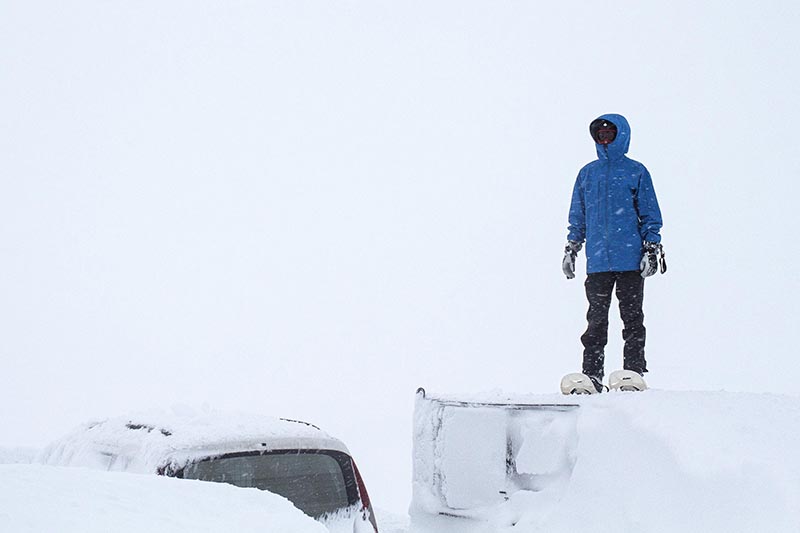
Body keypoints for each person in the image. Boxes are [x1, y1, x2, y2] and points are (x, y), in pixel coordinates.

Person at [562, 113, 665, 392]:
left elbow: (650, 213)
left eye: (610, 133)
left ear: (621, 136)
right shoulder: (587, 174)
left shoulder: (636, 171)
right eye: (600, 133)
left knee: (632, 318)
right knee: (596, 320)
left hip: (631, 260)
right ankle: (591, 376)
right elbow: (578, 215)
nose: (604, 137)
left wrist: (651, 247)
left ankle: (632, 373)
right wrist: (573, 246)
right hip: (597, 262)